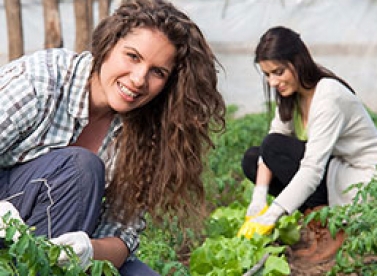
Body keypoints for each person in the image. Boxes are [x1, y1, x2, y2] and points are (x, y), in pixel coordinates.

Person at [0, 0, 226, 274]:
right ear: (108, 45)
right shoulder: (43, 79)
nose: (139, 79)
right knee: (79, 168)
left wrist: (88, 250)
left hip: (55, 243)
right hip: (8, 225)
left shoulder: (148, 132)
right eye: (132, 56)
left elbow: (123, 234)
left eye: (158, 72)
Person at [239, 26, 377, 263]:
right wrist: (259, 197)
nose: (273, 82)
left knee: (274, 148)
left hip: (363, 182)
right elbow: (271, 143)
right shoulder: (292, 95)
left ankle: (334, 230)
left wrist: (273, 214)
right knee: (254, 158)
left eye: (278, 72)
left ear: (298, 61)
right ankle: (319, 224)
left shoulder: (328, 96)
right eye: (267, 75)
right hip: (335, 172)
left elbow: (312, 169)